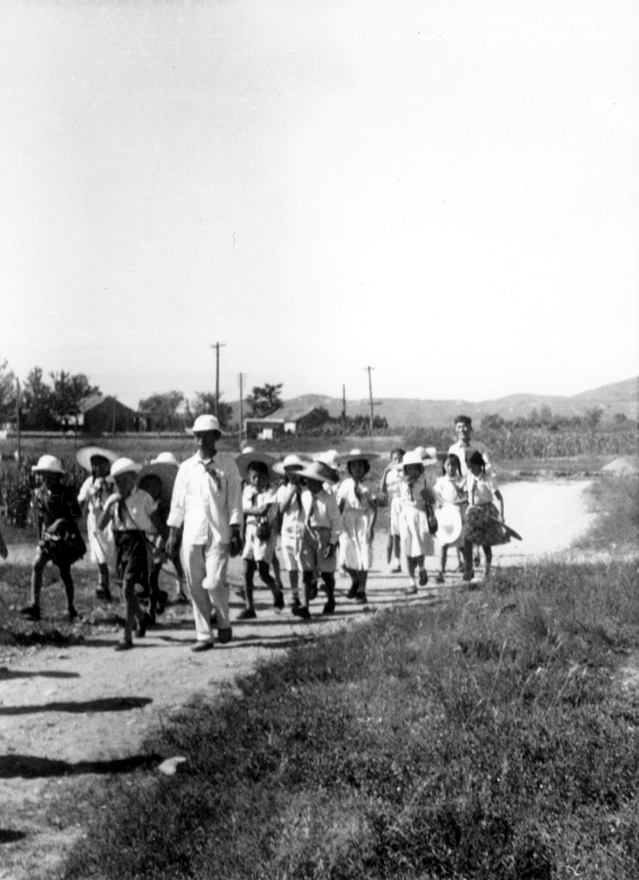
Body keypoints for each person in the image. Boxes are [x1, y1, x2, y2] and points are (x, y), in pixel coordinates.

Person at [165, 415, 242, 651]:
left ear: (216, 437)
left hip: (219, 532)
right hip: (192, 533)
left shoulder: (228, 466)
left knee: (215, 581)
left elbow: (235, 501)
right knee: (195, 583)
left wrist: (236, 528)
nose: (201, 440)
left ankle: (223, 621)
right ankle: (204, 634)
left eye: (207, 435)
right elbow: (178, 502)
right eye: (198, 435)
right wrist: (172, 533)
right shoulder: (187, 468)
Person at [98, 458, 169, 650]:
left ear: (134, 478)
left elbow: (158, 523)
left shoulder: (144, 498)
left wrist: (168, 544)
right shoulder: (113, 500)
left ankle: (126, 636)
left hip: (138, 544)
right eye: (117, 481)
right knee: (126, 591)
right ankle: (140, 618)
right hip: (120, 544)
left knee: (128, 587)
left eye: (124, 479)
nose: (121, 484)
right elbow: (100, 526)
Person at [20, 455, 85, 622]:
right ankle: (35, 605)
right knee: (37, 564)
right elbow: (41, 519)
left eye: (49, 474)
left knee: (65, 571)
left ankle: (70, 607)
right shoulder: (39, 493)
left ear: (57, 476)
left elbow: (77, 516)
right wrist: (39, 539)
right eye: (42, 474)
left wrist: (61, 522)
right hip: (48, 538)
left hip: (65, 538)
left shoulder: (66, 493)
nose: (44, 478)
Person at [291, 460, 342, 620]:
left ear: (321, 482)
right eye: (309, 480)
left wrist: (332, 543)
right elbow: (301, 516)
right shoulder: (305, 496)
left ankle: (331, 599)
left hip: (324, 536)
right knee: (306, 571)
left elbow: (337, 522)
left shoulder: (328, 499)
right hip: (307, 535)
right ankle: (305, 607)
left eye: (315, 481)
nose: (311, 484)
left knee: (326, 573)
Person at [235, 452, 284, 620]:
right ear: (249, 478)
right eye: (254, 477)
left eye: (261, 477)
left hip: (264, 532)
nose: (258, 481)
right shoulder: (247, 491)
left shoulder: (271, 492)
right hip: (250, 531)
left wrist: (245, 511)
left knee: (263, 571)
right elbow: (243, 515)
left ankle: (277, 592)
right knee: (246, 570)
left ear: (267, 477)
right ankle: (250, 607)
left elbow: (262, 510)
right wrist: (242, 534)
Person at [337, 449, 379, 603]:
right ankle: (355, 580)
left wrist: (370, 528)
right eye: (354, 466)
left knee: (363, 557)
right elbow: (340, 506)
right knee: (344, 559)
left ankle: (362, 590)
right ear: (349, 468)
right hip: (347, 521)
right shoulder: (345, 484)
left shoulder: (370, 485)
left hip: (363, 520)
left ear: (365, 467)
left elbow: (374, 508)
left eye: (360, 466)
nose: (357, 469)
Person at [77, 446, 118, 602]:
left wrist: (105, 489)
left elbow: (114, 500)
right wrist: (88, 495)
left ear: (107, 465)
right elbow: (81, 502)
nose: (97, 468)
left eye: (101, 464)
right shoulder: (89, 482)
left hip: (110, 519)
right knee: (98, 551)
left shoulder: (113, 481)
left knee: (111, 549)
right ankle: (103, 583)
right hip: (95, 519)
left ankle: (116, 580)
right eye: (94, 465)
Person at [461, 451, 509, 579]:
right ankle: (469, 569)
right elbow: (467, 496)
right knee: (467, 538)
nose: (470, 469)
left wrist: (501, 515)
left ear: (478, 465)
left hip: (485, 513)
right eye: (468, 466)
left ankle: (486, 570)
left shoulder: (488, 480)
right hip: (473, 512)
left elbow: (499, 498)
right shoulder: (469, 478)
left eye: (472, 466)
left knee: (485, 543)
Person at [397, 450, 436, 595]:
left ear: (420, 468)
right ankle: (411, 582)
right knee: (408, 549)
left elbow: (434, 499)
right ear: (405, 469)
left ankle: (421, 568)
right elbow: (388, 494)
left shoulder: (425, 482)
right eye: (409, 468)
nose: (412, 471)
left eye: (415, 467)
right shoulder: (401, 483)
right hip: (406, 516)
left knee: (419, 546)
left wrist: (429, 498)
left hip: (420, 515)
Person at [274, 454, 307, 610]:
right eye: (289, 471)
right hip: (287, 531)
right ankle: (295, 596)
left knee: (304, 565)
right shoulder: (283, 489)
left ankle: (308, 590)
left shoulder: (307, 489)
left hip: (303, 532)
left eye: (296, 470)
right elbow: (281, 509)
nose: (292, 474)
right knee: (291, 566)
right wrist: (292, 492)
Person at [433, 453, 469, 583]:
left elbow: (467, 497)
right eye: (448, 465)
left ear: (458, 466)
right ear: (444, 466)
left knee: (462, 545)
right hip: (446, 516)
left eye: (454, 465)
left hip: (459, 515)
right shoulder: (441, 481)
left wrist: (456, 503)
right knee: (443, 544)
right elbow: (436, 495)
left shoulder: (462, 480)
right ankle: (441, 571)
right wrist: (442, 502)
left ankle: (468, 569)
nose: (451, 468)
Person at [379, 447, 405, 572]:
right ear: (391, 460)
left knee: (409, 533)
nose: (398, 460)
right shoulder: (389, 475)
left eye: (400, 458)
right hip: (395, 504)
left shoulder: (407, 472)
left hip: (406, 503)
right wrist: (385, 471)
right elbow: (382, 490)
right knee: (396, 535)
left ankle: (414, 560)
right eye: (395, 458)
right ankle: (397, 563)